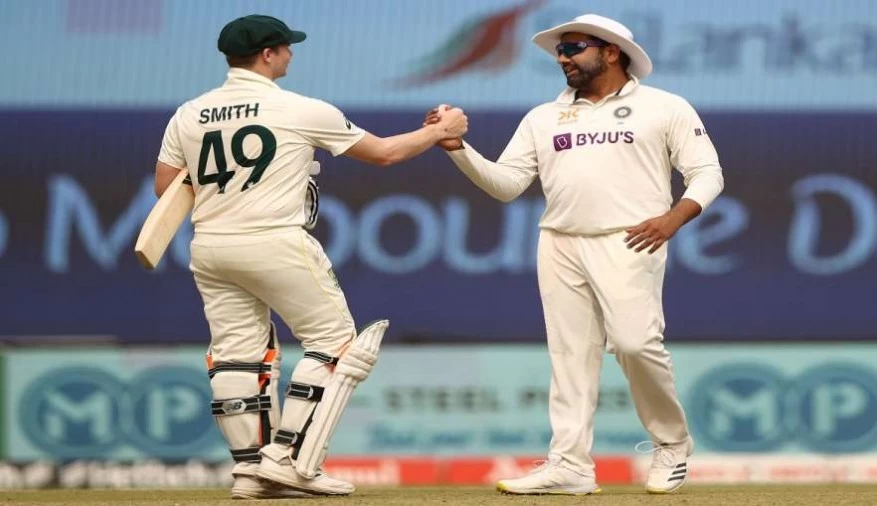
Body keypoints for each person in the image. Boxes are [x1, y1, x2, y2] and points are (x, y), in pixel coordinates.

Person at [153, 14, 467, 499]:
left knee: (237, 357)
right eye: (286, 48)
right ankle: (289, 460)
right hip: (275, 239)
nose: (291, 55)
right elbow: (384, 153)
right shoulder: (299, 108)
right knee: (337, 344)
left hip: (210, 244)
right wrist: (440, 130)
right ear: (268, 54)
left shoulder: (188, 114)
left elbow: (167, 189)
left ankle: (250, 471)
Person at [425, 13, 723, 495]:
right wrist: (458, 148)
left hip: (630, 238)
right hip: (560, 241)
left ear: (611, 52)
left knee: (634, 344)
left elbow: (708, 172)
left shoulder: (664, 106)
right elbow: (507, 184)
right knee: (570, 356)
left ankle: (671, 444)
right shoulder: (543, 117)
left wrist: (673, 218)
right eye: (559, 51)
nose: (562, 58)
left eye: (573, 48)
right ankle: (570, 465)